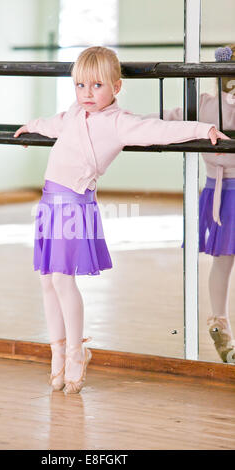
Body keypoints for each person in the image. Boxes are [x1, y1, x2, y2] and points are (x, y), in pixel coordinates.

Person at [13, 46, 228, 393]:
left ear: (116, 87)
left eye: (96, 86)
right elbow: (52, 124)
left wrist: (204, 129)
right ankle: (56, 352)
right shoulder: (72, 114)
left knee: (64, 281)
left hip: (74, 206)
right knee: (47, 282)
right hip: (50, 202)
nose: (87, 94)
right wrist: (31, 128)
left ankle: (75, 353)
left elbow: (159, 130)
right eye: (80, 86)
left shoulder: (119, 123)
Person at [143, 45, 235, 363]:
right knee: (222, 259)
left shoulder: (206, 104)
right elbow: (168, 118)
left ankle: (219, 321)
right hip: (221, 191)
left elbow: (167, 118)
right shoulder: (206, 104)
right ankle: (220, 323)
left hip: (218, 189)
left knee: (223, 260)